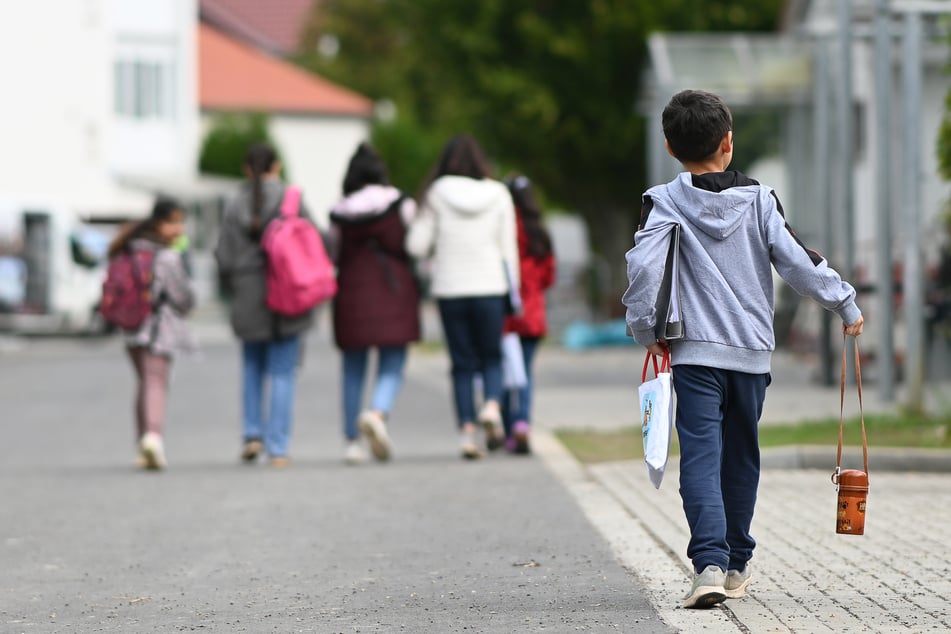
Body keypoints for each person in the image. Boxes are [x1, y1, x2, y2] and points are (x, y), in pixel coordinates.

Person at [622, 90, 865, 609]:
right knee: (742, 460)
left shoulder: (661, 201)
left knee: (702, 459)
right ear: (729, 143)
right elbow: (799, 262)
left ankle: (707, 564)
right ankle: (735, 564)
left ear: (669, 146)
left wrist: (648, 330)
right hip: (751, 356)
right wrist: (845, 303)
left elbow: (643, 270)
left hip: (693, 356)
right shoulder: (760, 200)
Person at [406, 134, 519, 459]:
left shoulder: (437, 193)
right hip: (490, 286)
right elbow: (508, 248)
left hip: (451, 288)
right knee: (492, 357)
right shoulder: (498, 193)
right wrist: (514, 291)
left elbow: (416, 246)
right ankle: (493, 408)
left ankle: (467, 434)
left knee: (461, 364)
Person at [214, 142, 316, 468]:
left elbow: (223, 255)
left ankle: (252, 435)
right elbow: (317, 241)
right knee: (283, 373)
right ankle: (279, 447)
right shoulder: (292, 199)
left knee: (251, 367)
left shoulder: (233, 203)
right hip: (289, 292)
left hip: (247, 293)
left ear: (246, 169)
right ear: (277, 167)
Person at [329, 143, 420, 464]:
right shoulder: (400, 203)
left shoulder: (340, 210)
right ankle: (378, 413)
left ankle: (351, 441)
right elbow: (414, 243)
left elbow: (334, 252)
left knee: (353, 369)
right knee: (393, 363)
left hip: (352, 292)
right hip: (393, 289)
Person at [109, 196, 195, 470]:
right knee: (156, 381)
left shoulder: (127, 249)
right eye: (174, 222)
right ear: (159, 222)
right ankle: (153, 438)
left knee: (144, 382)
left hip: (130, 327)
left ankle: (142, 442)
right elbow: (182, 297)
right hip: (158, 328)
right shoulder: (166, 256)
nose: (179, 228)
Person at [500, 175, 555, 454]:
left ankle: (507, 428)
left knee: (505, 372)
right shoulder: (540, 232)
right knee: (525, 374)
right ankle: (522, 423)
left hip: (507, 316)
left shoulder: (503, 228)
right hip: (533, 315)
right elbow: (548, 276)